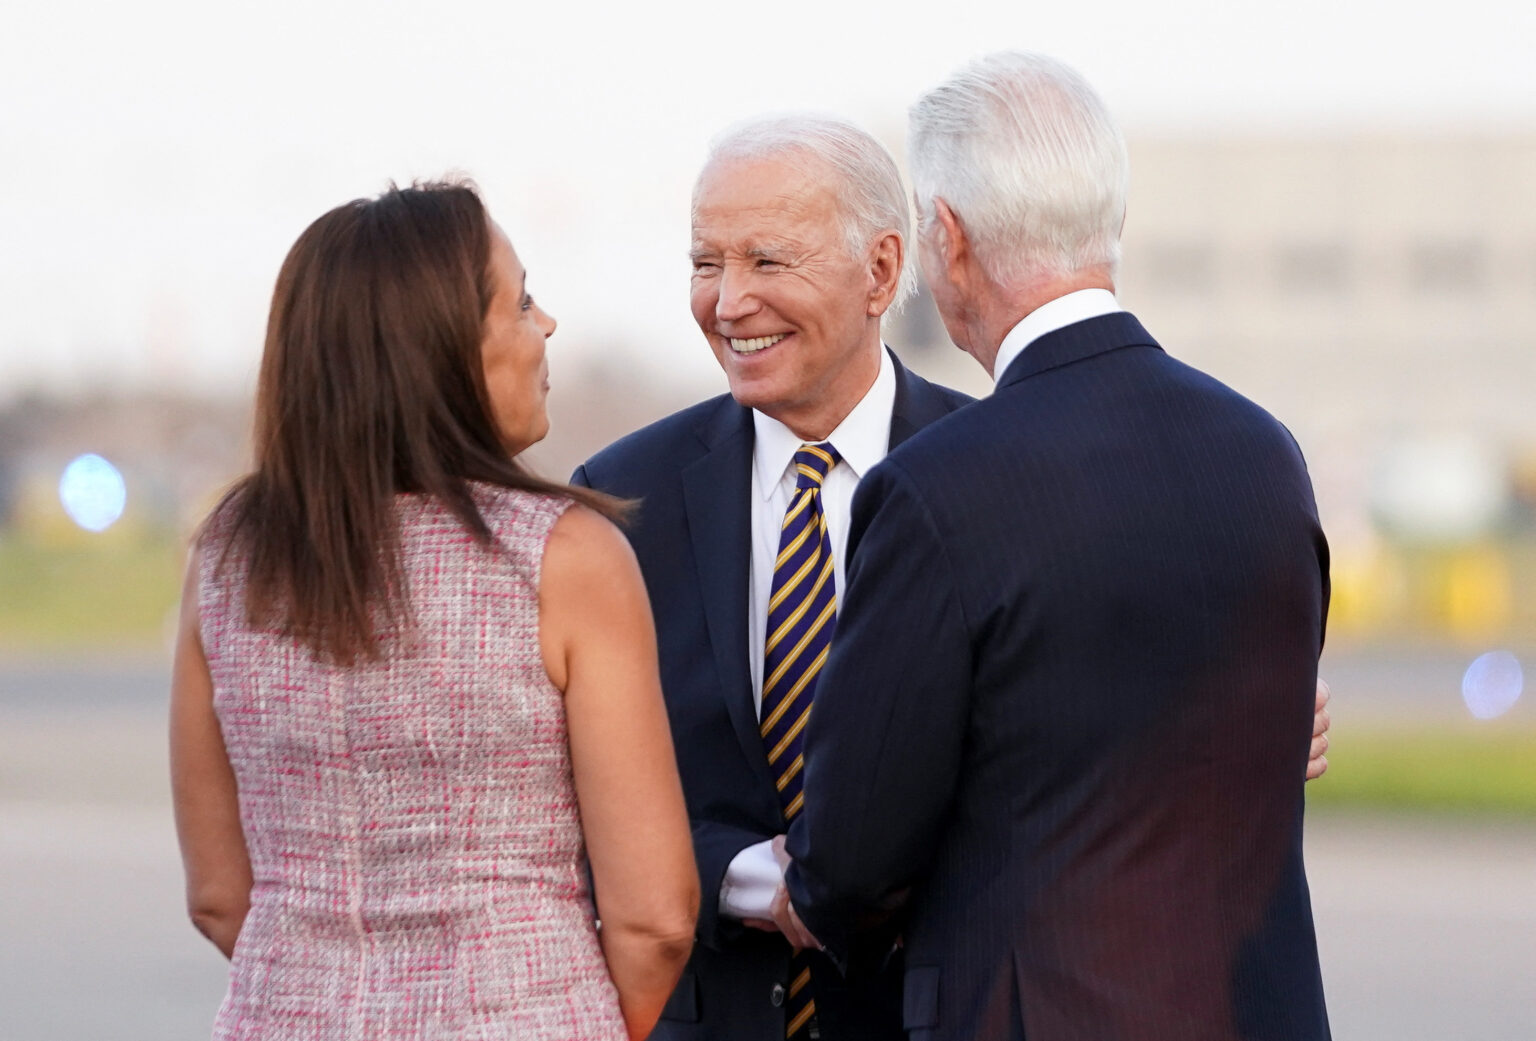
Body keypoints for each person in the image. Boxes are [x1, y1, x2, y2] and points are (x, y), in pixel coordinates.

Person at [574, 116, 1333, 1041]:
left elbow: (1075, 728)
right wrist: (755, 879)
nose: (729, 301)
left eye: (768, 263)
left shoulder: (1002, 479)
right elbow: (567, 788)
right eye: (706, 263)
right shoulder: (616, 502)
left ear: (885, 271)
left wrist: (1249, 710)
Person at [782, 53, 1333, 1041]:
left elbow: (853, 857)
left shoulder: (938, 489)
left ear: (946, 238)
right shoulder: (1266, 455)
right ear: (1107, 221)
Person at [170, 181, 698, 1041]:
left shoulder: (228, 554)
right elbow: (655, 918)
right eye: (521, 301)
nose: (547, 325)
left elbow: (219, 895)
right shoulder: (565, 555)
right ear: (441, 347)